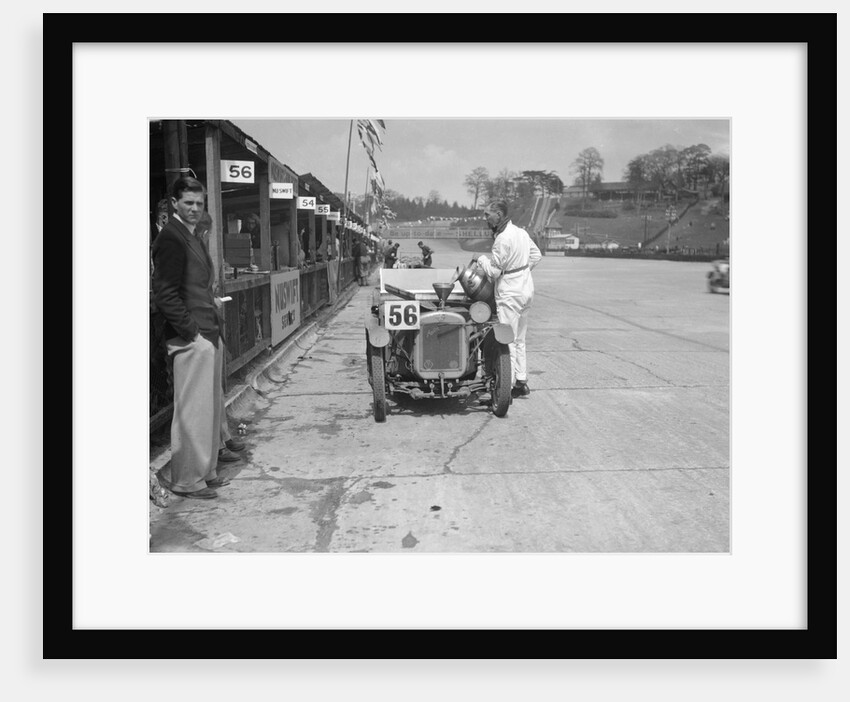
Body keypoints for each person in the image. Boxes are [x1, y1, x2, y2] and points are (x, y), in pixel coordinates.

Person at [151, 176, 230, 499]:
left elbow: (194, 285)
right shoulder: (171, 238)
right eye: (188, 203)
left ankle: (205, 472)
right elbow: (165, 294)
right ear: (174, 203)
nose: (195, 208)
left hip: (208, 333)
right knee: (192, 413)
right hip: (191, 338)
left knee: (207, 410)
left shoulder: (191, 235)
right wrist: (192, 333)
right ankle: (186, 480)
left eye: (199, 203)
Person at [476, 199, 542, 398]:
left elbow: (494, 272)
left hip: (510, 294)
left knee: (507, 340)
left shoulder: (502, 239)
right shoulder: (521, 233)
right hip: (526, 289)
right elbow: (536, 256)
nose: (485, 218)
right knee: (520, 338)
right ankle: (521, 379)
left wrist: (481, 260)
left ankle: (509, 385)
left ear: (499, 214)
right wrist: (521, 271)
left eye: (487, 214)